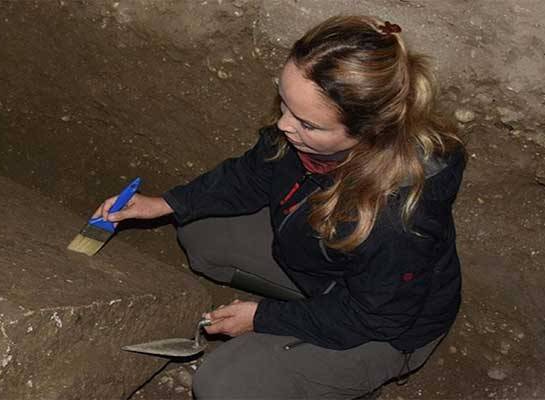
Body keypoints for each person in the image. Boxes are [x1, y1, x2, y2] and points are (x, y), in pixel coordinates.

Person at [93, 15, 465, 399]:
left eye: (307, 123)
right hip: (328, 266)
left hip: (386, 329)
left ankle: (341, 379)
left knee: (223, 386)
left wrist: (261, 318)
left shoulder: (397, 219)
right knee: (201, 231)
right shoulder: (308, 134)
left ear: (369, 132)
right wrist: (165, 204)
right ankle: (306, 331)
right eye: (284, 102)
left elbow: (377, 316)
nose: (285, 125)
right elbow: (254, 173)